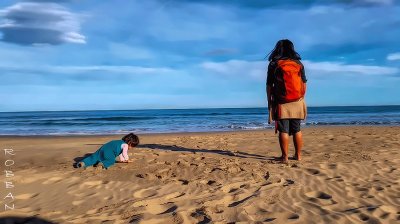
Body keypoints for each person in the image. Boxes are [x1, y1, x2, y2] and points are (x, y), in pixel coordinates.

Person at [266, 39, 307, 164]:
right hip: (298, 100)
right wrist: (301, 97)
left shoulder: (274, 63)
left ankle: (285, 158)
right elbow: (304, 83)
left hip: (281, 102)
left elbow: (269, 85)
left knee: (283, 130)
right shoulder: (298, 63)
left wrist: (269, 102)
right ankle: (298, 156)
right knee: (297, 129)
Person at [75, 133, 139, 169]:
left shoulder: (119, 142)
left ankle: (83, 163)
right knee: (111, 160)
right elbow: (124, 153)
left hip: (103, 149)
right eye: (132, 146)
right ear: (130, 143)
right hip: (109, 153)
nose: (131, 148)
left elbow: (120, 154)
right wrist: (127, 159)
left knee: (94, 157)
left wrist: (122, 160)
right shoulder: (126, 145)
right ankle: (102, 164)